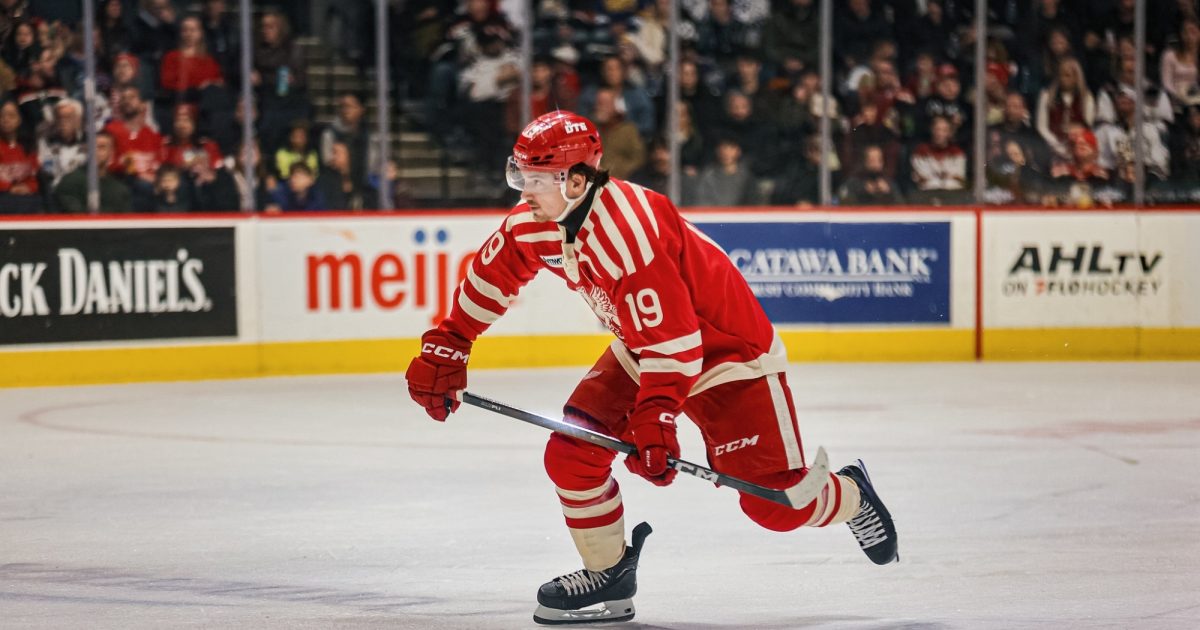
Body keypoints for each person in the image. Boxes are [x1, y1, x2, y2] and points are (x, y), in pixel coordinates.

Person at [403, 111, 899, 625]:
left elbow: (677, 342)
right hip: (647, 346)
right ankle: (609, 573)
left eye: (537, 179)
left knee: (774, 506)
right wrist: (450, 342)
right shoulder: (537, 219)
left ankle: (852, 494)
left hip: (729, 355)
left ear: (576, 181)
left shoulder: (628, 231)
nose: (524, 191)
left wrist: (655, 417)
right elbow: (495, 271)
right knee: (572, 454)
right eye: (520, 175)